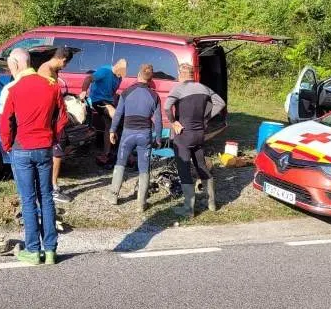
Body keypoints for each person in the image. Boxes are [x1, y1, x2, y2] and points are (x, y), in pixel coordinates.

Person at [0, 51, 68, 266]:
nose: (11, 71)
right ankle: (50, 251)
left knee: (28, 200)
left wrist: (8, 145)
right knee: (46, 197)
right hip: (45, 147)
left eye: (11, 66)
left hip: (22, 148)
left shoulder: (11, 89)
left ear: (17, 64)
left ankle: (33, 250)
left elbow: (4, 122)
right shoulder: (51, 85)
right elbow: (63, 117)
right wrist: (53, 136)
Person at [164, 63, 226, 218]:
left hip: (184, 135)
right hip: (199, 134)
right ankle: (211, 203)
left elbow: (166, 107)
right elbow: (221, 103)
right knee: (201, 165)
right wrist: (206, 116)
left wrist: (174, 122)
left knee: (184, 170)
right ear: (193, 74)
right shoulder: (204, 88)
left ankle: (188, 209)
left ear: (181, 74)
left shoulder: (179, 88)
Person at [106, 64, 162, 212]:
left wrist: (112, 130)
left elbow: (118, 114)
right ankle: (141, 203)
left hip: (127, 134)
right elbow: (158, 119)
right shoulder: (154, 95)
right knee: (144, 168)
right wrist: (158, 138)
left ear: (138, 75)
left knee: (120, 163)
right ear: (150, 79)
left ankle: (113, 196)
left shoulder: (126, 92)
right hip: (144, 134)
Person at [38, 47, 75, 204]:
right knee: (56, 154)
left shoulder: (52, 70)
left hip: (55, 118)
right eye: (65, 64)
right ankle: (52, 188)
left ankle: (50, 185)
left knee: (58, 152)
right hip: (49, 120)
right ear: (63, 59)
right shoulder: (45, 71)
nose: (64, 67)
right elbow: (46, 96)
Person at [80, 58, 127, 164]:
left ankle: (106, 153)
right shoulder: (105, 70)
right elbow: (88, 78)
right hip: (97, 100)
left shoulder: (119, 78)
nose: (120, 76)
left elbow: (113, 92)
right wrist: (83, 92)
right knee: (114, 114)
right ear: (116, 67)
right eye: (119, 73)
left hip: (108, 101)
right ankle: (121, 130)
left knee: (109, 125)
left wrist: (115, 102)